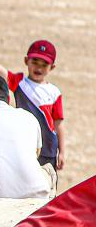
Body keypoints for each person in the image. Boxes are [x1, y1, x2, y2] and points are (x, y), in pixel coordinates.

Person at [7, 40, 66, 174]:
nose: (39, 68)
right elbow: (3, 73)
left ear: (52, 67)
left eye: (44, 65)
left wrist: (62, 151)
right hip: (23, 145)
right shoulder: (19, 82)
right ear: (26, 60)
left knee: (46, 187)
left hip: (48, 149)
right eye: (34, 62)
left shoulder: (54, 92)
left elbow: (58, 123)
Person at [0, 63, 56, 199]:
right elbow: (35, 154)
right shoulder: (27, 117)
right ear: (8, 98)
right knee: (48, 170)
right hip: (37, 193)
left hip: (3, 195)